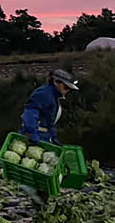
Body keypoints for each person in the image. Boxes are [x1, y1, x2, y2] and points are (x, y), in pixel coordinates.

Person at [18, 69, 79, 206]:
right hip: (36, 134)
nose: (67, 90)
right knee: (41, 169)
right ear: (56, 82)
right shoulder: (44, 94)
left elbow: (48, 122)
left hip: (44, 135)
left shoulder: (52, 96)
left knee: (47, 171)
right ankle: (32, 191)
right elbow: (30, 112)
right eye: (66, 87)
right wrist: (31, 132)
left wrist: (53, 137)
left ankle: (40, 203)